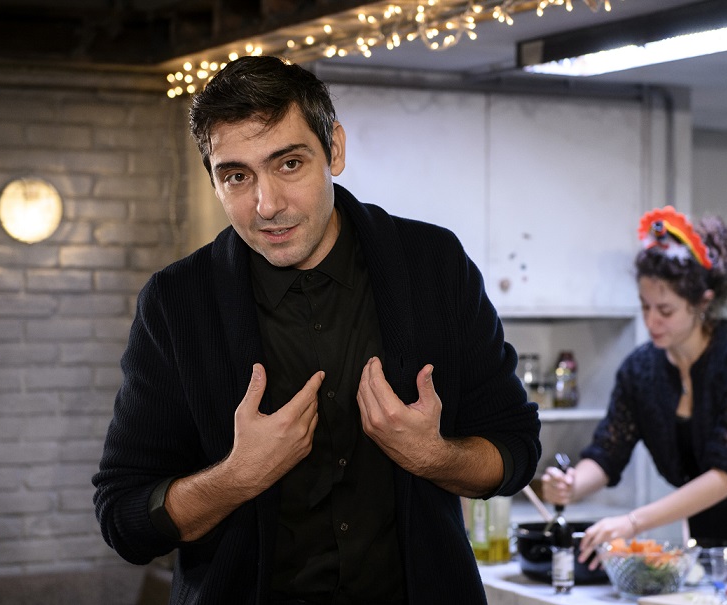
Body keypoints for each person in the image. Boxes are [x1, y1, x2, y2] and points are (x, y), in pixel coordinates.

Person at [92, 55, 541, 605]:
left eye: (289, 164)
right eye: (237, 176)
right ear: (214, 180)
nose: (267, 205)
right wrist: (239, 475)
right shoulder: (176, 302)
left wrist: (433, 456)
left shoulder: (433, 264)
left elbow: (516, 449)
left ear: (335, 150)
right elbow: (124, 517)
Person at [541, 205, 727, 592]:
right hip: (708, 526)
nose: (651, 321)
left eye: (665, 310)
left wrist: (633, 522)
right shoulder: (641, 370)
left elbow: (725, 476)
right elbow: (607, 452)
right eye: (645, 306)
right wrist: (572, 484)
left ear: (702, 302)